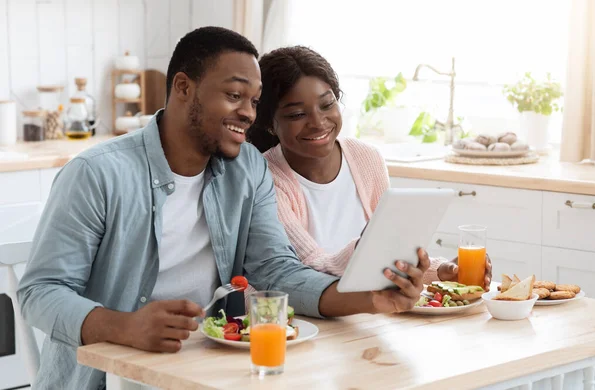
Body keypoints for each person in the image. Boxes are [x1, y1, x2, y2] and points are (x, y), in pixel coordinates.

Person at [18, 28, 431, 390]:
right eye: (234, 95)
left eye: (254, 100)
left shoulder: (246, 169)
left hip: (209, 370)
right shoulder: (97, 174)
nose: (248, 113)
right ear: (183, 87)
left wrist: (369, 298)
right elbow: (40, 292)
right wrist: (125, 326)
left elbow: (275, 270)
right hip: (109, 378)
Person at [247, 45, 492, 286]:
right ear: (269, 123)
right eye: (297, 114)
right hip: (310, 318)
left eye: (326, 104)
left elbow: (395, 255)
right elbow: (308, 265)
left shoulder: (366, 159)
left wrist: (443, 271)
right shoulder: (265, 178)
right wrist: (368, 248)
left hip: (371, 310)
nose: (318, 122)